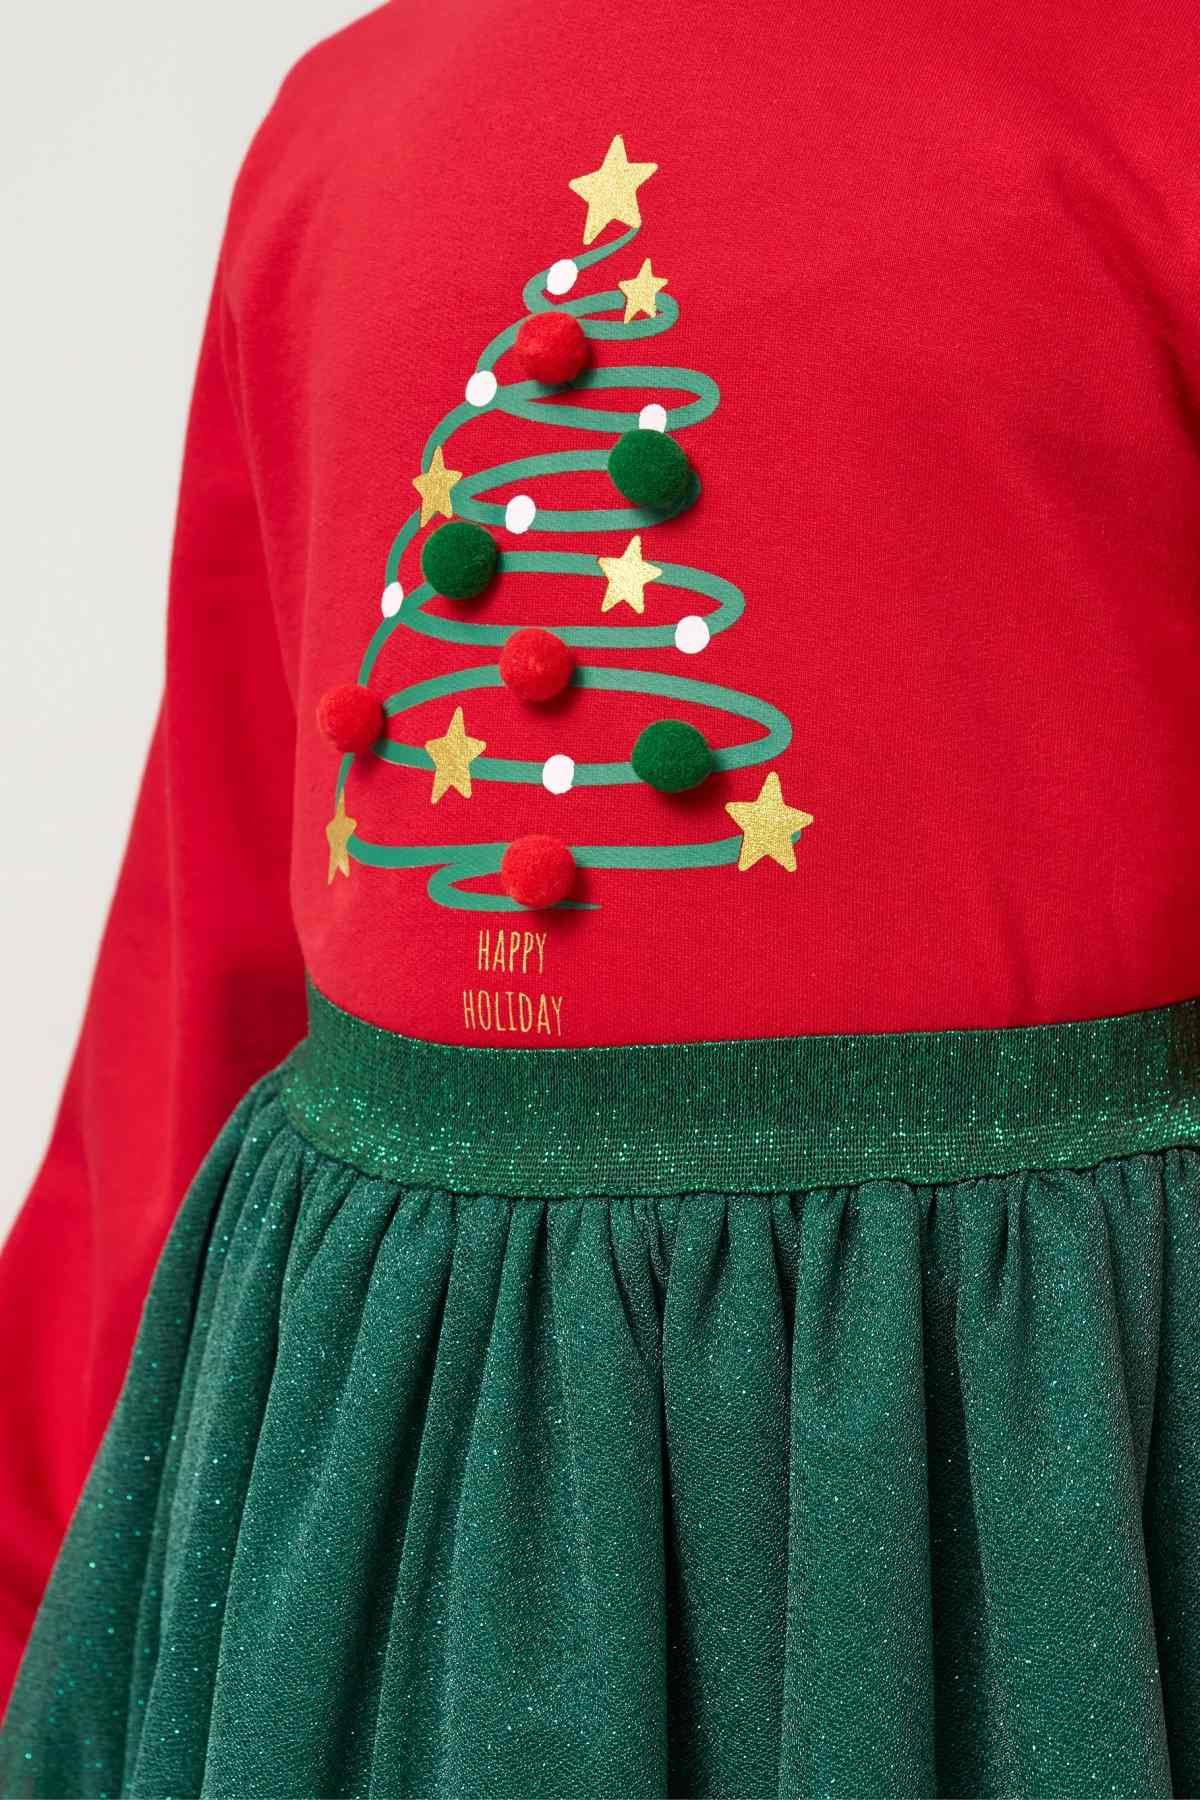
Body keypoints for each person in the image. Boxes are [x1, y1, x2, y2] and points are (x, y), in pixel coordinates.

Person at [3, 1, 1200, 1793]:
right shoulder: (339, 133)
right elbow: (226, 892)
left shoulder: (351, 126)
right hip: (409, 1522)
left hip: (1017, 1512)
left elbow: (203, 931)